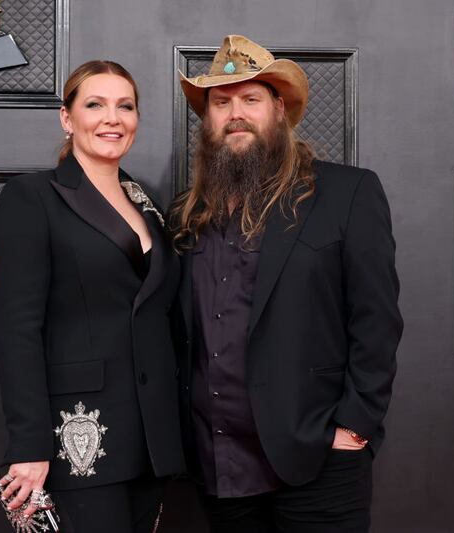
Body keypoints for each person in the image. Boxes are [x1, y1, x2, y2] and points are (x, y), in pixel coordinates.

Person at [169, 35, 404, 532]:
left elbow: (377, 320)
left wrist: (353, 429)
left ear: (278, 110)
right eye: (221, 102)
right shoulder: (184, 216)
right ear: (207, 119)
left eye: (251, 99)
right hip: (219, 465)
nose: (236, 113)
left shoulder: (347, 193)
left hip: (317, 458)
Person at [0, 60, 184, 533]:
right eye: (94, 104)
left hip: (151, 439)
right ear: (67, 117)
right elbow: (17, 331)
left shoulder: (147, 202)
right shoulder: (32, 197)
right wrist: (29, 446)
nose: (112, 118)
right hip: (78, 433)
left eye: (126, 106)